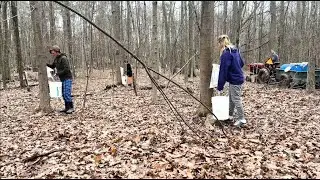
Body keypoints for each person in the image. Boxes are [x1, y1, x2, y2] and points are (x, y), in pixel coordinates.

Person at [216, 35, 246, 127]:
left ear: (220, 43)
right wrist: (235, 68)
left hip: (235, 79)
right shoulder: (235, 50)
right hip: (238, 77)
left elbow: (223, 71)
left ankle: (242, 119)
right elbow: (242, 63)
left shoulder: (226, 54)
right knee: (231, 98)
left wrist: (220, 86)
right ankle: (230, 115)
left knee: (236, 99)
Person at [47, 45, 74, 114]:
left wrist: (58, 73)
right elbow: (53, 66)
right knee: (63, 93)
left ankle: (71, 107)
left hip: (67, 78)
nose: (52, 54)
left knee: (66, 93)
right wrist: (45, 64)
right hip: (62, 79)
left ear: (57, 51)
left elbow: (67, 69)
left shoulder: (63, 58)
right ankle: (67, 108)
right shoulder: (56, 59)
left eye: (53, 53)